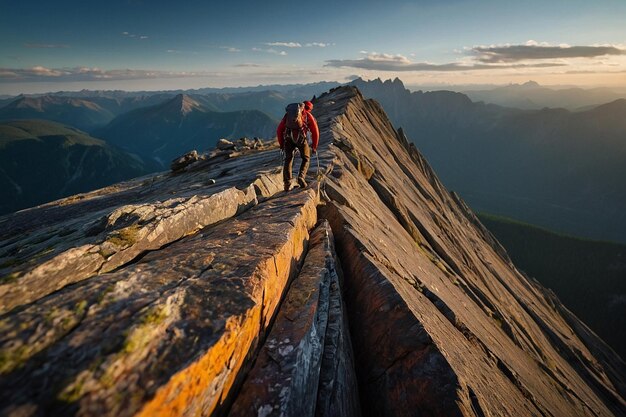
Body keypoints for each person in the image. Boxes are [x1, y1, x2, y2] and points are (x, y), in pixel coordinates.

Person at [277, 100, 319, 191]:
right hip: (301, 139)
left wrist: (281, 144)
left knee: (288, 159)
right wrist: (314, 146)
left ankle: (287, 183)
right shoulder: (308, 115)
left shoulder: (288, 116)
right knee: (306, 158)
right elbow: (315, 132)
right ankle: (301, 177)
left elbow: (279, 129)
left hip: (288, 138)